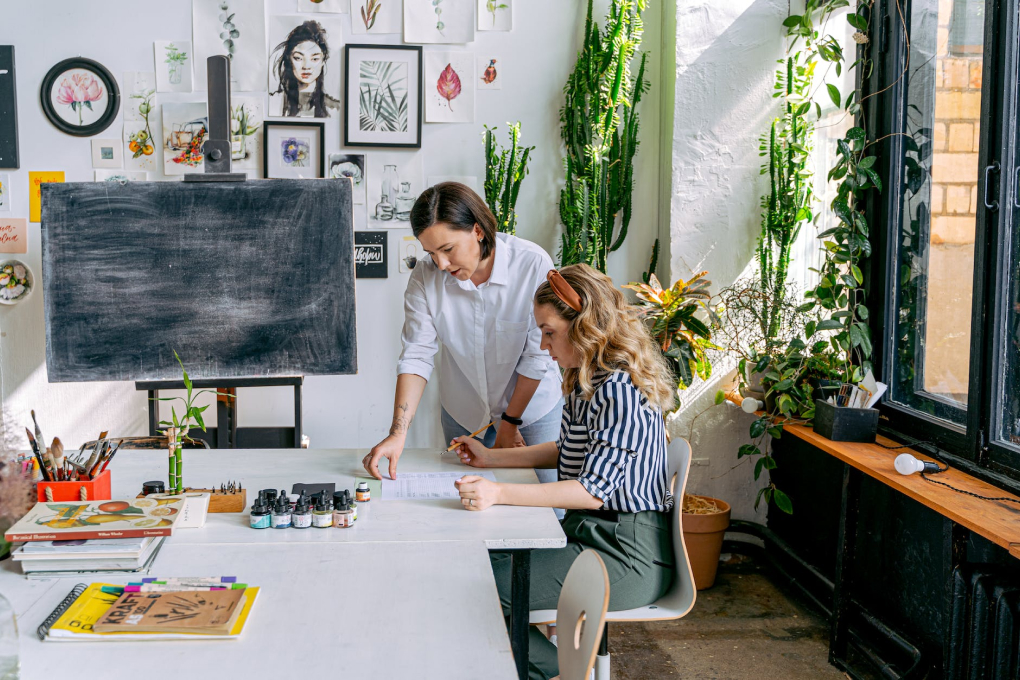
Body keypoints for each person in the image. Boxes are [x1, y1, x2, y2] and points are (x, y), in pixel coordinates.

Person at [451, 263, 676, 680]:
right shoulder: (588, 379)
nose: (544, 344)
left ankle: (561, 671)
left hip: (625, 554)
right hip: (589, 535)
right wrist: (491, 458)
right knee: (474, 562)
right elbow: (566, 449)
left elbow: (591, 490)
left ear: (585, 326)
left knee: (477, 589)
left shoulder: (620, 390)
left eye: (549, 332)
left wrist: (499, 493)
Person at [362, 182, 563, 483]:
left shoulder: (532, 264)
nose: (441, 264)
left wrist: (509, 423)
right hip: (464, 413)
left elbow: (538, 354)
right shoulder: (425, 276)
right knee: (463, 503)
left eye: (447, 249)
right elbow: (416, 355)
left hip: (532, 412)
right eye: (431, 253)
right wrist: (397, 433)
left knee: (543, 504)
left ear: (478, 230)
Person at [269, 20, 340, 118]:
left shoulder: (335, 108)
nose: (306, 66)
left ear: (323, 61)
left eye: (314, 59)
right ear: (289, 59)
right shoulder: (273, 102)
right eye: (298, 58)